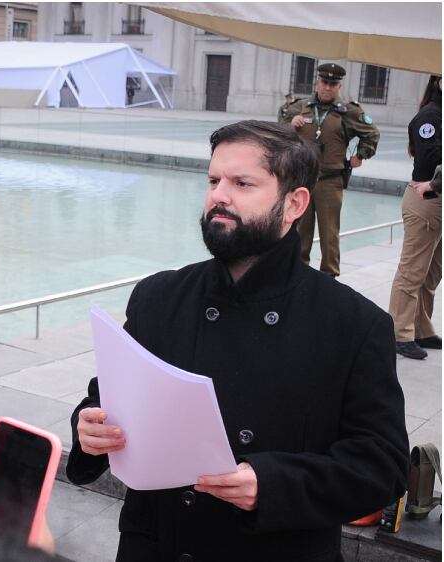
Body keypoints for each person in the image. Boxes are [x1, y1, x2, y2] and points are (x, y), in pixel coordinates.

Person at [68, 120, 408, 561]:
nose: (219, 196)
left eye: (242, 184)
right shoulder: (158, 297)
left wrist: (272, 484)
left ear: (294, 203)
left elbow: (382, 465)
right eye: (213, 181)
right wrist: (90, 428)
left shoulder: (354, 323)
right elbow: (107, 398)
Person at [279, 63, 380, 277]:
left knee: (329, 232)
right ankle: (298, 273)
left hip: (330, 181)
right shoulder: (299, 107)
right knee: (299, 230)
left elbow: (372, 133)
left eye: (333, 84)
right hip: (302, 181)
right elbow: (279, 131)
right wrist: (290, 125)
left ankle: (329, 276)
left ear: (339, 87)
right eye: (324, 82)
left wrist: (360, 155)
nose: (327, 87)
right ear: (317, 83)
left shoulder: (348, 111)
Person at [388, 75, 442, 360]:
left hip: (437, 198)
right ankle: (399, 332)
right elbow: (430, 157)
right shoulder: (430, 116)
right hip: (426, 198)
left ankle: (421, 328)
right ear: (439, 81)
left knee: (432, 272)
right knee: (413, 270)